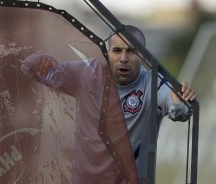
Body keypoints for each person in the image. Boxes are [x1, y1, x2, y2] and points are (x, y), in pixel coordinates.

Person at [21, 25, 197, 184]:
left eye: (131, 51)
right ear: (107, 52)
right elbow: (30, 69)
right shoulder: (87, 72)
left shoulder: (152, 82)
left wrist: (179, 101)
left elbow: (179, 111)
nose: (123, 58)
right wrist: (39, 60)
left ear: (142, 55)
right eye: (117, 51)